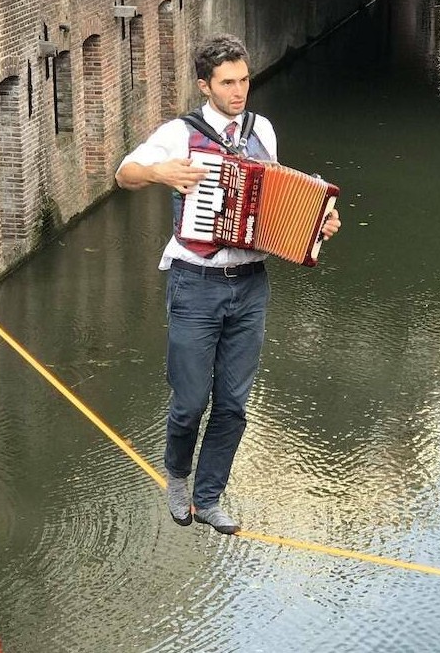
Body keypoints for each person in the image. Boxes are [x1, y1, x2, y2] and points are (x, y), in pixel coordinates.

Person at [115, 34, 341, 534]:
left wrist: (317, 222)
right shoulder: (181, 133)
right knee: (190, 402)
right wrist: (158, 173)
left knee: (234, 404)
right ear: (205, 86)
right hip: (195, 283)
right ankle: (177, 476)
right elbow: (124, 175)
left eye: (244, 81)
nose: (239, 92)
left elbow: (273, 201)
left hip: (251, 285)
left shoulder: (263, 130)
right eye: (227, 83)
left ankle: (209, 496)